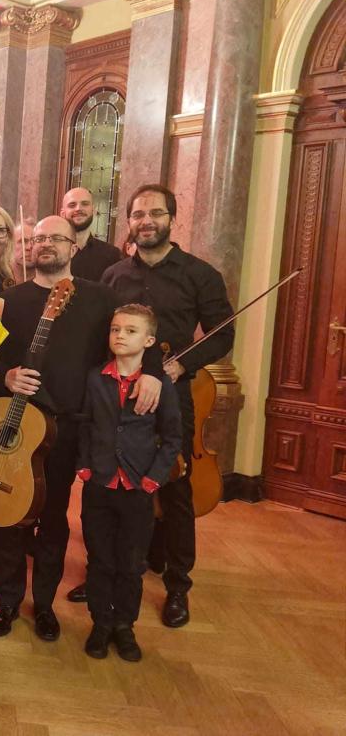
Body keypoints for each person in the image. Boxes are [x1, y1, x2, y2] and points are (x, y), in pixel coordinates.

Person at [0, 215, 162, 641]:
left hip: (67, 429)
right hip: (16, 426)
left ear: (74, 247)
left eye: (56, 238)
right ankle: (7, 600)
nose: (46, 244)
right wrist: (6, 376)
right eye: (39, 238)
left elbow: (135, 337)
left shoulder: (101, 298)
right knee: (8, 515)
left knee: (53, 516)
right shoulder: (11, 299)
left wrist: (154, 374)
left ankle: (44, 604)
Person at [99, 183, 234, 629]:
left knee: (175, 488)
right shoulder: (114, 275)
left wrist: (180, 366)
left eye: (155, 213)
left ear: (172, 219)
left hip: (172, 395)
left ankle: (178, 586)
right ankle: (113, 573)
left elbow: (223, 333)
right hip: (121, 396)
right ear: (129, 221)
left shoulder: (200, 274)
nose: (146, 221)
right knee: (116, 484)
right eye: (138, 214)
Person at [77, 304, 182, 661]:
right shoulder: (96, 378)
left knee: (131, 563)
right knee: (99, 560)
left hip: (138, 488)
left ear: (149, 340)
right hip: (99, 484)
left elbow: (172, 438)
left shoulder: (159, 385)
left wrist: (153, 480)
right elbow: (86, 424)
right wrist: (84, 466)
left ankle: (124, 625)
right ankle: (100, 623)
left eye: (131, 330)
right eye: (115, 329)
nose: (120, 335)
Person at [62, 187, 122, 281]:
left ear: (93, 210)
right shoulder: (53, 251)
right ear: (62, 213)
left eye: (85, 204)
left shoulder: (112, 255)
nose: (78, 208)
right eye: (72, 205)